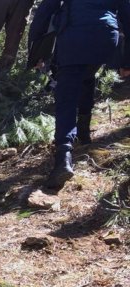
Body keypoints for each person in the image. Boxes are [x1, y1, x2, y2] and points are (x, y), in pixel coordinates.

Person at [29, 0, 130, 190]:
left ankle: (63, 158)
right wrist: (127, 60)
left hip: (74, 36)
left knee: (66, 96)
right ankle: (83, 134)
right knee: (87, 73)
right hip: (105, 36)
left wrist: (35, 52)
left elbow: (46, 9)